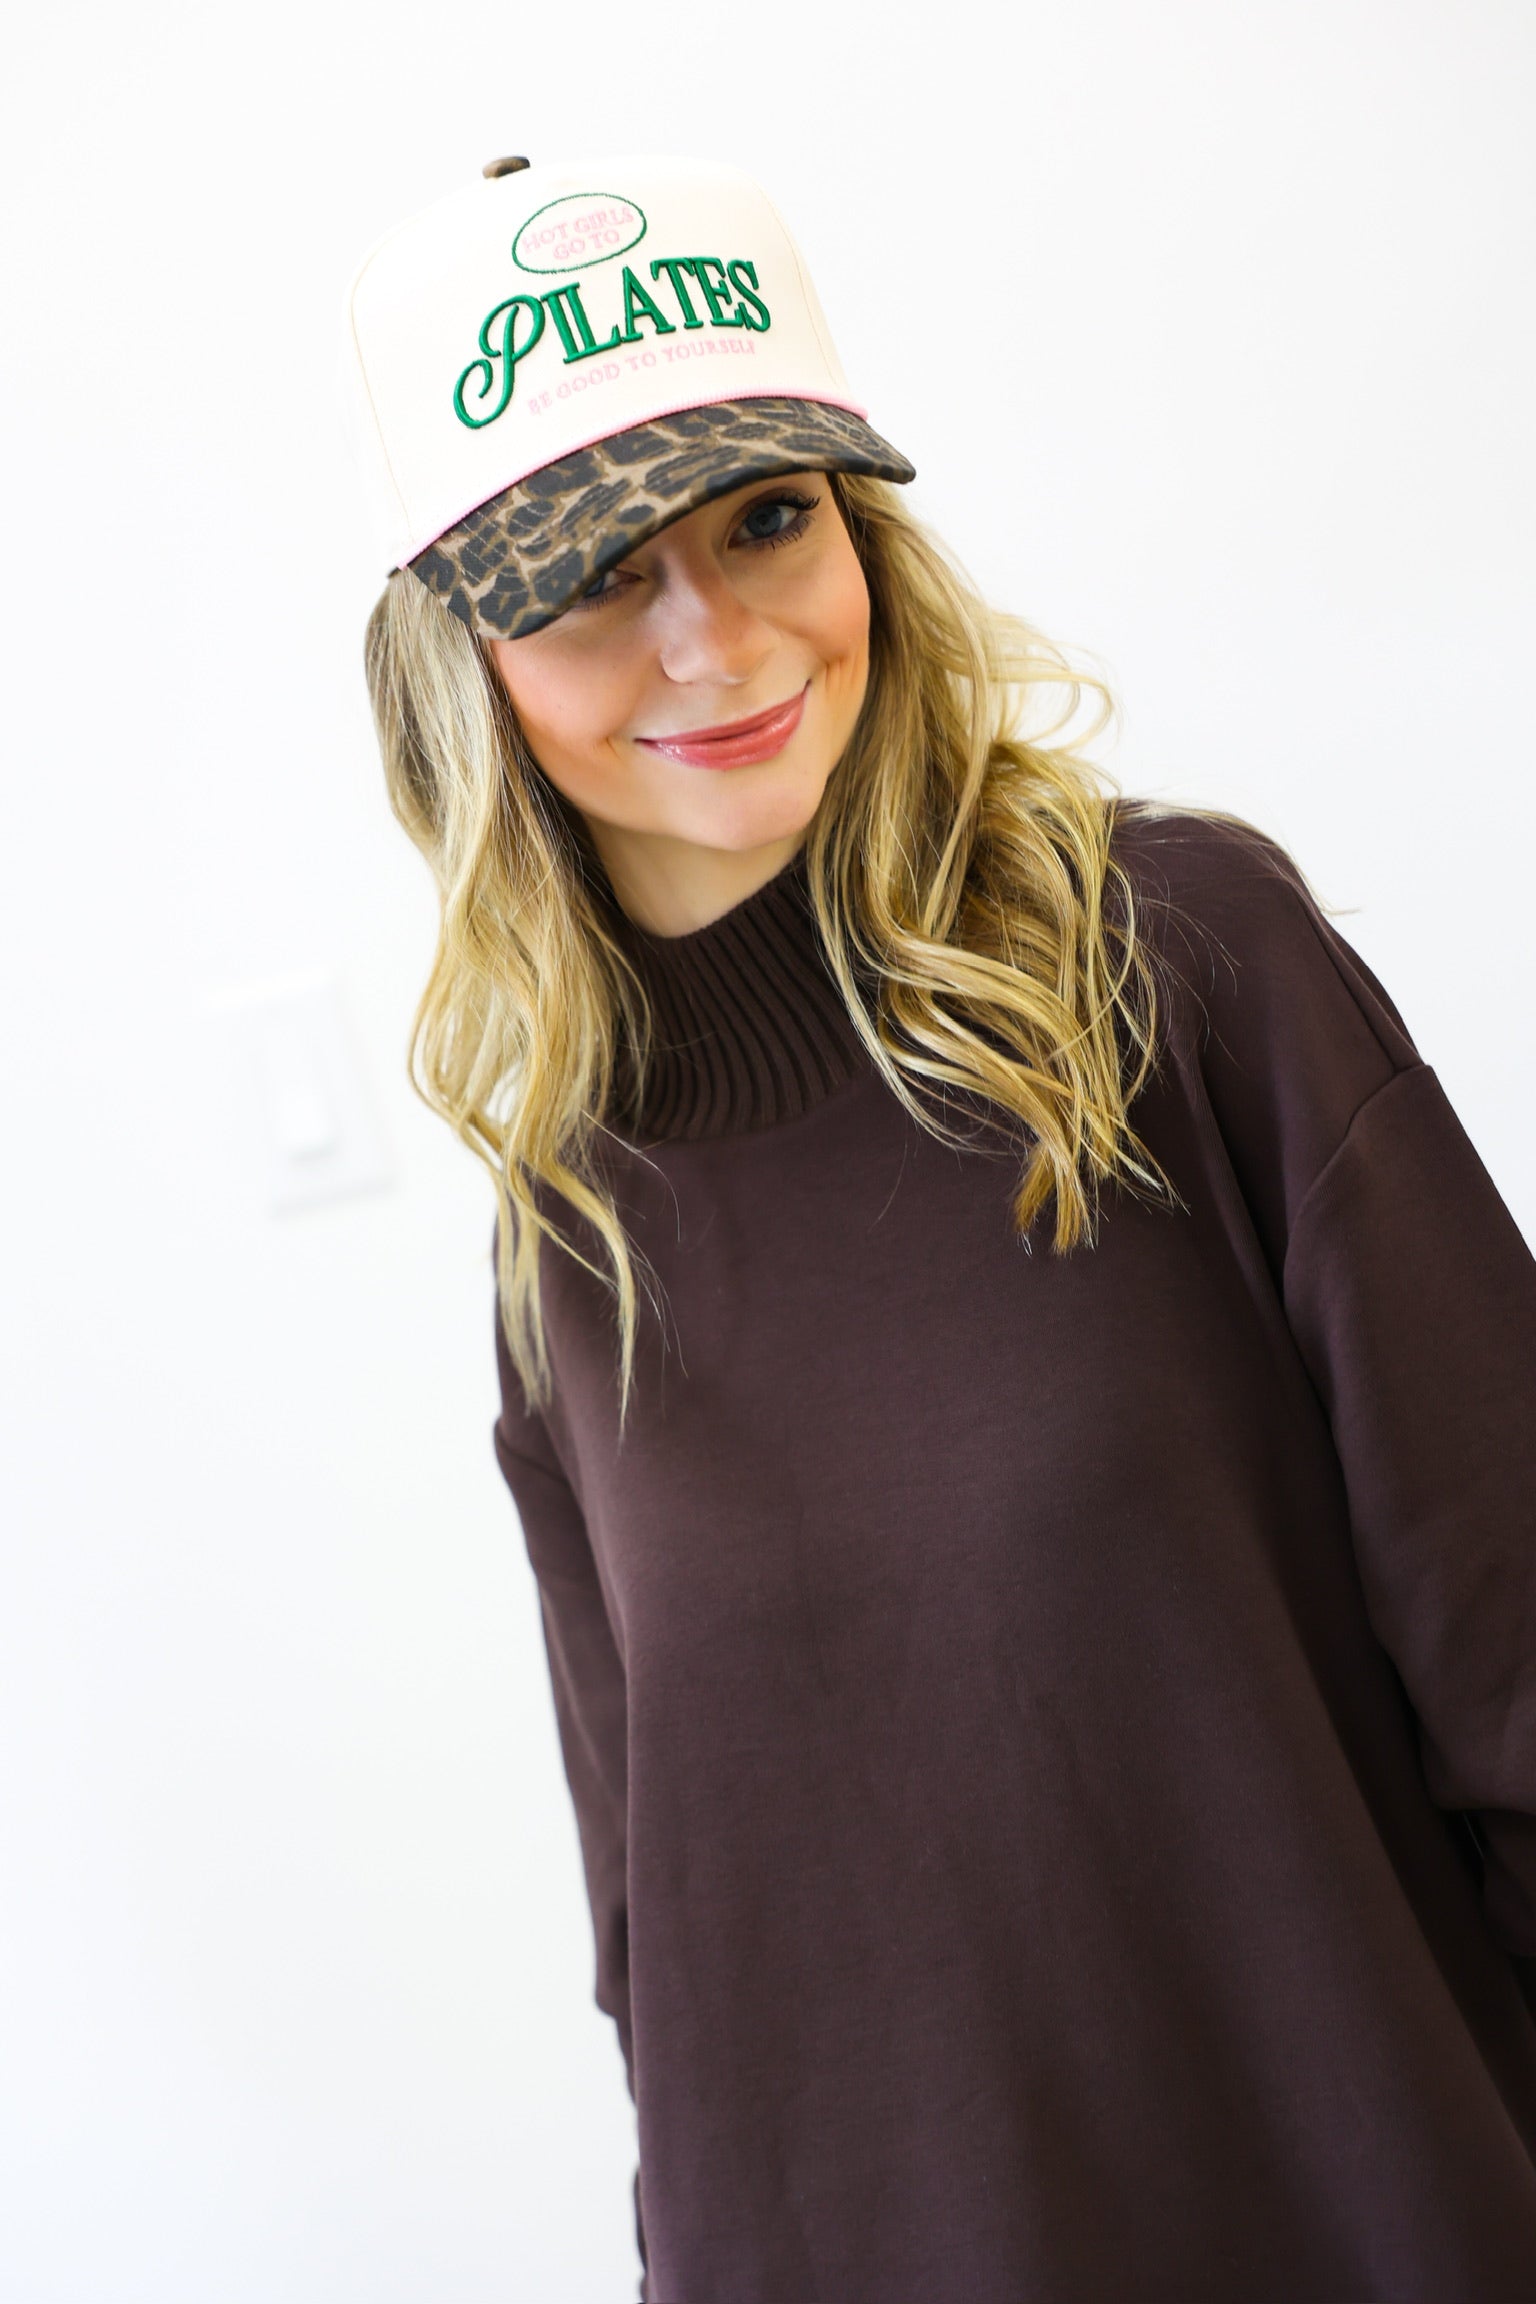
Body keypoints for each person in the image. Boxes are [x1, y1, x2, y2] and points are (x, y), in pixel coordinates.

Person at [345, 152, 1536, 2301]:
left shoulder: (1181, 965)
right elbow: (668, 1955)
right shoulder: (567, 1237)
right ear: (463, 656)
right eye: (592, 575)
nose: (714, 641)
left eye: (766, 520)